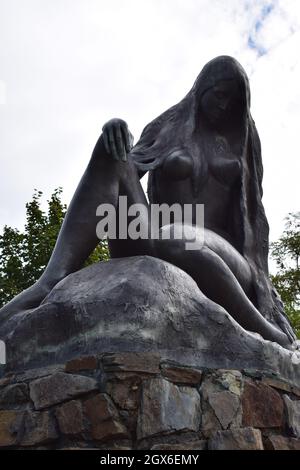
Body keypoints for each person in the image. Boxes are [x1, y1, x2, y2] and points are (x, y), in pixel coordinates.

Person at [0, 56, 295, 348]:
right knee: (111, 152)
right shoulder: (168, 126)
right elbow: (127, 166)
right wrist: (114, 127)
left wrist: (263, 289)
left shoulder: (242, 140)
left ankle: (264, 330)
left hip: (226, 257)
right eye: (220, 95)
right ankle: (51, 280)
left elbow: (254, 218)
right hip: (158, 237)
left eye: (233, 101)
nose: (224, 105)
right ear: (204, 87)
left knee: (175, 237)